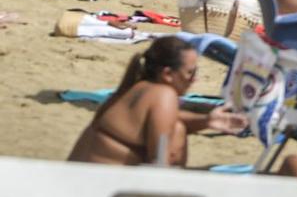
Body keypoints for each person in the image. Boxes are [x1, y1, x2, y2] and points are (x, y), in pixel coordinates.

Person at [67, 36, 236, 166]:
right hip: (95, 194)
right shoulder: (164, 95)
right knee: (177, 132)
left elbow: (168, 119)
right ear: (167, 74)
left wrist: (207, 121)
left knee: (177, 126)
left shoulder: (134, 89)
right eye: (190, 73)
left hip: (76, 179)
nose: (195, 80)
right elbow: (158, 162)